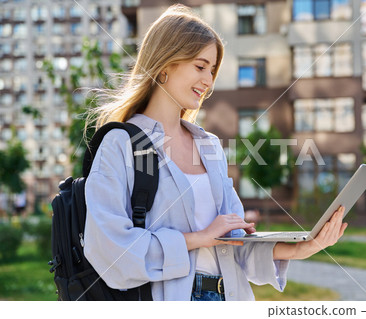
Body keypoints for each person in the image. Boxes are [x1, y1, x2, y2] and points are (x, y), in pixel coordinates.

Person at [83, 4, 347, 301]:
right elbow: (110, 251)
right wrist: (198, 239)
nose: (208, 82)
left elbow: (234, 242)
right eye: (200, 66)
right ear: (165, 64)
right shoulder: (122, 144)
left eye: (212, 70)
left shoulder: (208, 146)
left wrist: (303, 247)